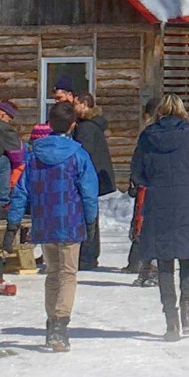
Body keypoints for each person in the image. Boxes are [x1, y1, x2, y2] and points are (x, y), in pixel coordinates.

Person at [3, 101, 98, 352]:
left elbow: (21, 191)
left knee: (53, 273)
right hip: (70, 219)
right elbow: (88, 192)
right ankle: (60, 325)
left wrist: (13, 223)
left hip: (44, 221)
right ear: (73, 125)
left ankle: (51, 323)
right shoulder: (78, 155)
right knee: (68, 274)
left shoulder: (35, 156)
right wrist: (91, 221)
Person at [130, 94, 189, 340]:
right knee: (187, 256)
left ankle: (171, 320)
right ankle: (188, 309)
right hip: (188, 200)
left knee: (165, 259)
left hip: (159, 202)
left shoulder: (148, 137)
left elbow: (138, 172)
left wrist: (155, 183)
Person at [72, 92, 115, 269]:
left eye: (75, 103)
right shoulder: (91, 125)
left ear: (84, 104)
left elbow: (84, 153)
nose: (73, 107)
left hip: (89, 177)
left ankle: (87, 256)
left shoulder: (86, 128)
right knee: (90, 214)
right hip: (95, 176)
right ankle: (89, 255)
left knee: (87, 215)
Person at [124, 99, 161, 283]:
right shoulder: (154, 133)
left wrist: (136, 178)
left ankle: (142, 265)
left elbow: (138, 160)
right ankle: (141, 264)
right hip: (154, 184)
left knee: (143, 223)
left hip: (148, 184)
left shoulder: (149, 134)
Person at [0, 100, 24, 211]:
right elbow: (17, 152)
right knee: (4, 162)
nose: (8, 122)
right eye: (8, 120)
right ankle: (2, 201)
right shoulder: (1, 126)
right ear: (2, 114)